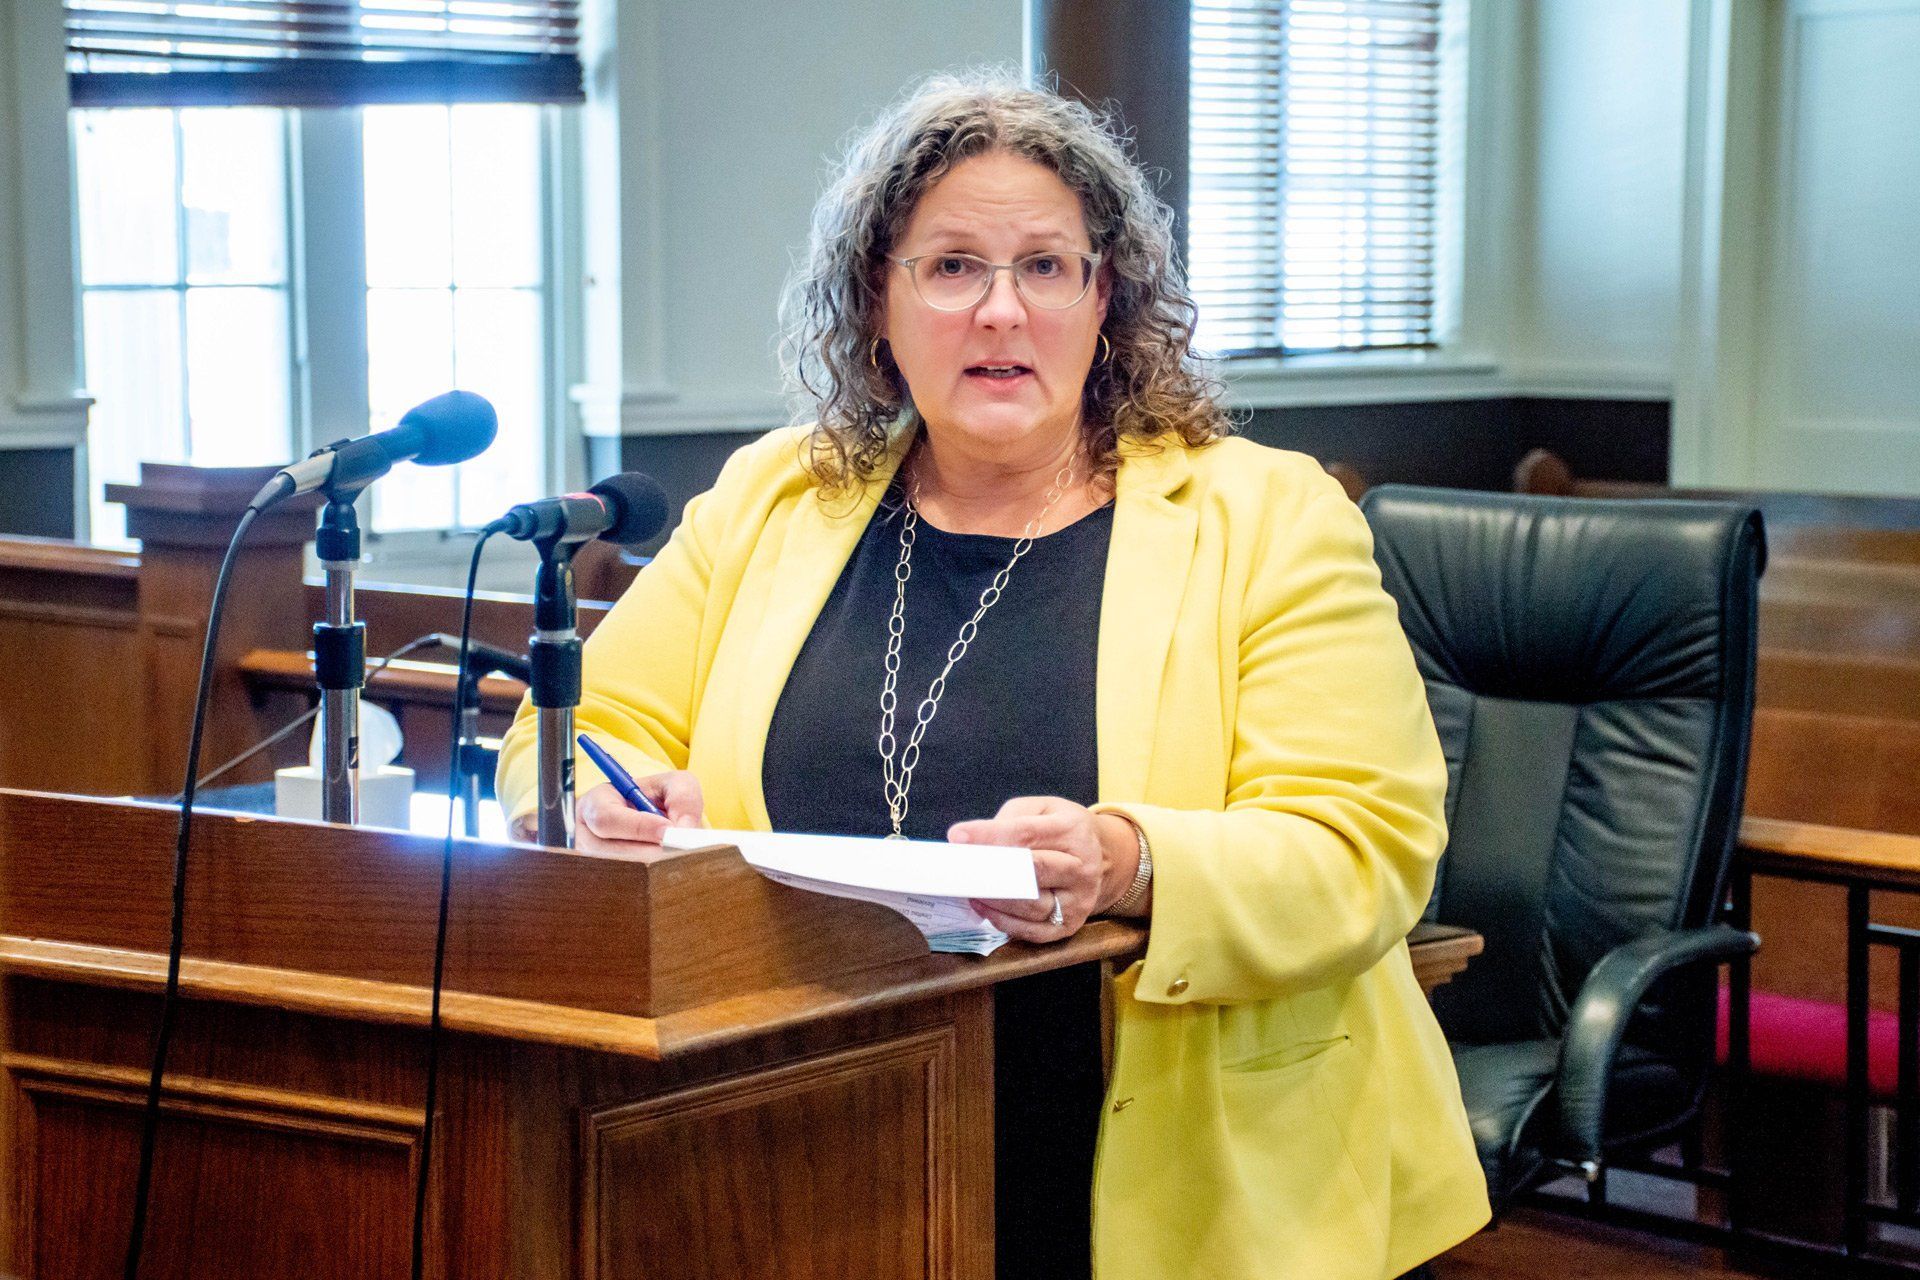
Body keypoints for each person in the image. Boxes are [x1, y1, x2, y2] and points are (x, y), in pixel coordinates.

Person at [497, 69, 1489, 1280]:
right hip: (802, 1135)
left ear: (1104, 299)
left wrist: (1132, 860)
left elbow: (1364, 843)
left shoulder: (1265, 515)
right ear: (879, 299)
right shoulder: (776, 495)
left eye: (1047, 268)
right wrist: (612, 793)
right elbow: (576, 724)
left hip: (1169, 1162)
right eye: (954, 266)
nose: (1001, 313)